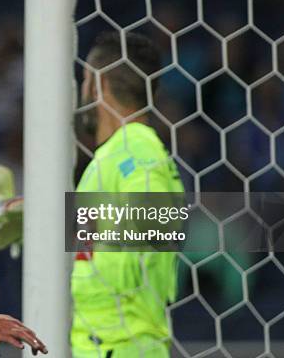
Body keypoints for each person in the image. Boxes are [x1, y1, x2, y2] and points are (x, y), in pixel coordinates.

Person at [71, 32, 184, 358]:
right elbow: (97, 232)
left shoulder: (138, 149)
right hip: (103, 345)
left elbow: (147, 234)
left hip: (123, 346)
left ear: (96, 85)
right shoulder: (114, 156)